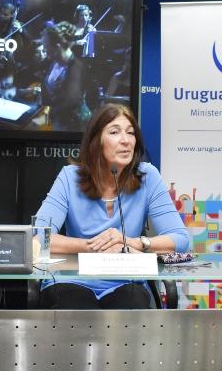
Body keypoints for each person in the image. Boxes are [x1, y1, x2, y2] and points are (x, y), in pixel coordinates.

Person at [33, 103, 189, 309]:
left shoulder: (148, 176)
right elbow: (39, 237)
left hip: (126, 281)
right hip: (71, 280)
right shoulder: (69, 177)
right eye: (115, 132)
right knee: (76, 310)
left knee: (128, 311)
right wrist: (91, 246)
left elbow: (181, 239)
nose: (126, 140)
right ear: (96, 141)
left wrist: (131, 242)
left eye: (131, 133)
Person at [40, 21, 88, 130]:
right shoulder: (53, 61)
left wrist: (43, 116)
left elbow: (70, 102)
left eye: (45, 46)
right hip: (54, 119)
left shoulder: (76, 68)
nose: (44, 49)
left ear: (57, 47)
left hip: (71, 126)